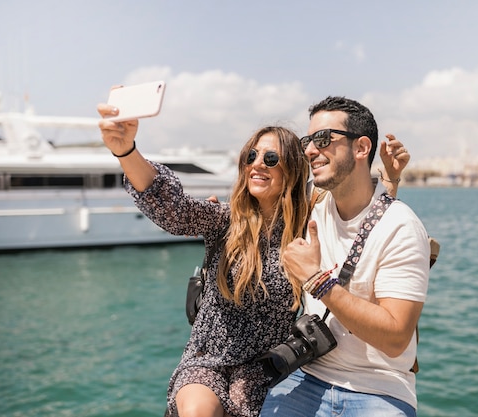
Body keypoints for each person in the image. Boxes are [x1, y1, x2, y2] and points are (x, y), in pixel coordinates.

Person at [97, 97, 410, 417]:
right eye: (251, 155)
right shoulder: (223, 220)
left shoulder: (307, 226)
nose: (257, 163)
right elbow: (173, 207)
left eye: (271, 157)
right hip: (208, 363)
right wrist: (126, 151)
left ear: (291, 169)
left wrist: (390, 180)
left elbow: (359, 222)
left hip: (267, 372)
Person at [261, 96, 430, 417]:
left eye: (323, 139)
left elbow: (395, 339)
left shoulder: (403, 227)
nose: (310, 150)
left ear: (361, 148)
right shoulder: (313, 205)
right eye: (308, 141)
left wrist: (315, 280)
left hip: (378, 387)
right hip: (308, 373)